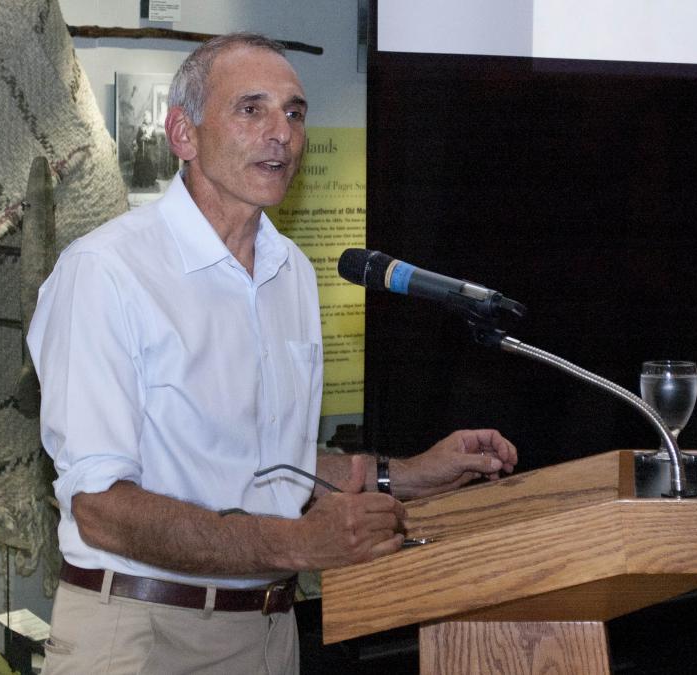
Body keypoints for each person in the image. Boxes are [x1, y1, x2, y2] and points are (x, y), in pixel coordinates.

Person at [26, 32, 518, 675]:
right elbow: (101, 509)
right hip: (142, 634)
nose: (281, 133)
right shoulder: (106, 272)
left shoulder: (292, 271)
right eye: (251, 109)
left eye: (294, 112)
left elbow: (269, 467)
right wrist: (292, 542)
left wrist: (412, 473)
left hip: (269, 631)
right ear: (183, 133)